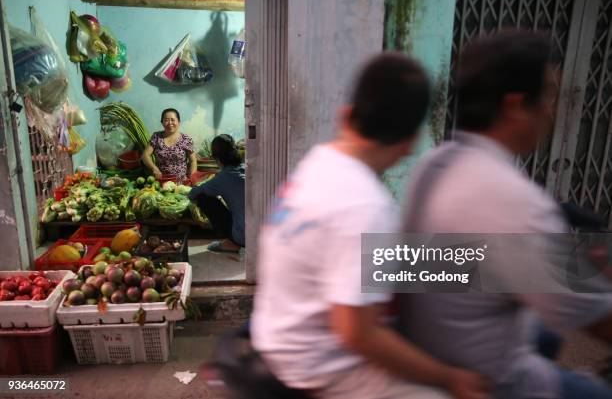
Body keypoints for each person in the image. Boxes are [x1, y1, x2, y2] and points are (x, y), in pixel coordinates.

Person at [251, 53, 490, 399]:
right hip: (316, 366)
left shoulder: (319, 163)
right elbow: (358, 335)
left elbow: (354, 252)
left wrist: (469, 264)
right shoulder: (366, 204)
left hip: (277, 336)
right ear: (410, 143)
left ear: (346, 116)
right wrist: (449, 378)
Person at [398, 31, 612, 399]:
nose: (553, 109)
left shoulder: (434, 164)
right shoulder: (516, 202)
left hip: (432, 338)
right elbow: (599, 319)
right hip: (483, 380)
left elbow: (425, 262)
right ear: (515, 105)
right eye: (548, 95)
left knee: (545, 334)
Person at [188, 134, 245, 252]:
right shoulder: (248, 168)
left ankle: (232, 242)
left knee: (203, 197)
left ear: (217, 159)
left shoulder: (223, 178)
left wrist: (203, 188)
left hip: (244, 236)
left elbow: (192, 194)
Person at [142, 108, 197, 182]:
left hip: (181, 182)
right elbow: (145, 155)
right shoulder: (156, 136)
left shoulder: (186, 139)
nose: (170, 123)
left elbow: (193, 161)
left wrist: (191, 179)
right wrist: (154, 168)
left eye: (173, 120)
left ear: (179, 122)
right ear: (162, 122)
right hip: (161, 180)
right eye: (166, 120)